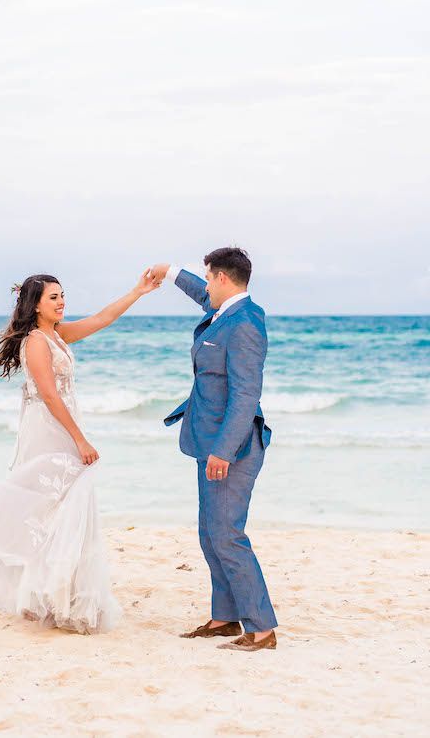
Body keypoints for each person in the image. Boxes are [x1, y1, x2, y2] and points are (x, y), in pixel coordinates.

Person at [0, 269, 160, 634]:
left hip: (62, 423)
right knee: (49, 506)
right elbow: (49, 395)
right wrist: (80, 439)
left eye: (62, 295)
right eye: (53, 297)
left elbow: (102, 318)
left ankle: (56, 597)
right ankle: (44, 596)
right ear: (35, 305)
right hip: (49, 428)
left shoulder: (58, 334)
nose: (62, 301)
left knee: (65, 509)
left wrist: (138, 291)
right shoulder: (36, 341)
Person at [150, 248, 278, 652]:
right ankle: (225, 618)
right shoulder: (227, 310)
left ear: (223, 278)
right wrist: (170, 272)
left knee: (227, 535)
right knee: (211, 533)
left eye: (209, 279)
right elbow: (199, 295)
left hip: (232, 448)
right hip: (208, 439)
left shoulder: (244, 324)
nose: (205, 286)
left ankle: (261, 629)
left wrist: (223, 450)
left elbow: (245, 394)